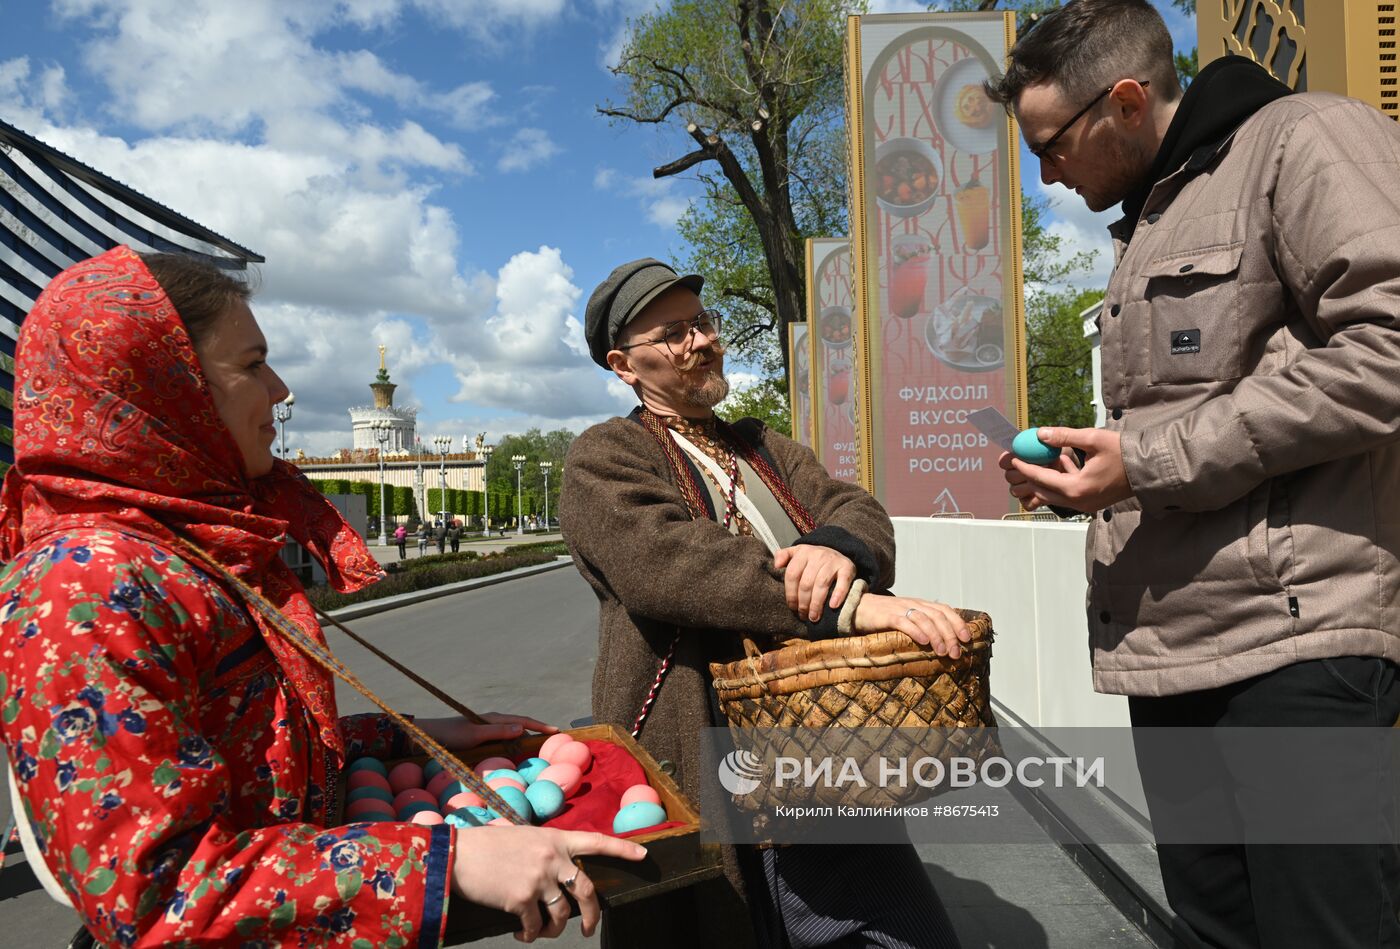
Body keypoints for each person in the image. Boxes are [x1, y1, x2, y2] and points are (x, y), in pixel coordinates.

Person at [0, 247, 644, 947]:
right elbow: (159, 896)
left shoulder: (190, 545)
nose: (279, 389)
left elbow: (242, 753)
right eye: (251, 365)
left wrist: (398, 736)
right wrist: (443, 861)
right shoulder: (82, 587)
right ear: (159, 390)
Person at [987, 2, 1400, 946]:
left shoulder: (1306, 140)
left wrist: (1146, 461)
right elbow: (1192, 423)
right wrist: (1089, 477)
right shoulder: (1153, 220)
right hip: (1173, 657)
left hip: (1295, 647)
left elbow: (1390, 349)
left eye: (1049, 145)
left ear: (1125, 102)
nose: (1046, 172)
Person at [561, 258, 970, 949]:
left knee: (902, 928)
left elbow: (855, 504)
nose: (701, 340)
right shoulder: (604, 455)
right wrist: (847, 608)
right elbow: (669, 562)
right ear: (623, 364)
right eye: (673, 333)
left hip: (821, 744)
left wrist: (838, 548)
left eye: (704, 322)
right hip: (703, 755)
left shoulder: (760, 444)